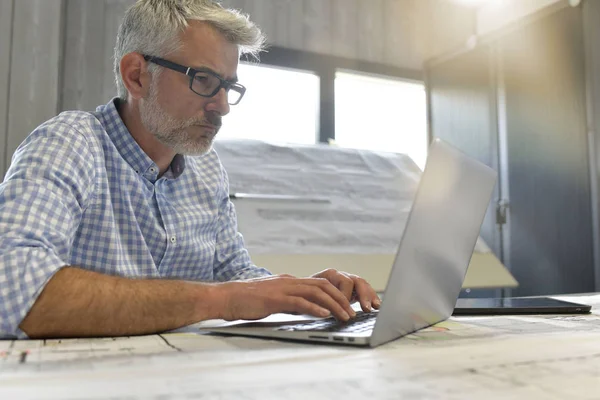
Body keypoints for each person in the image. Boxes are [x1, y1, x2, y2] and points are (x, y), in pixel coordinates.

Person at [0, 0, 380, 340]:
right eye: (203, 80)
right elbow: (11, 286)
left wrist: (302, 292)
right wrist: (217, 299)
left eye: (228, 86)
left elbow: (233, 275)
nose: (223, 106)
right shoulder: (70, 143)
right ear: (136, 75)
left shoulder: (207, 170)